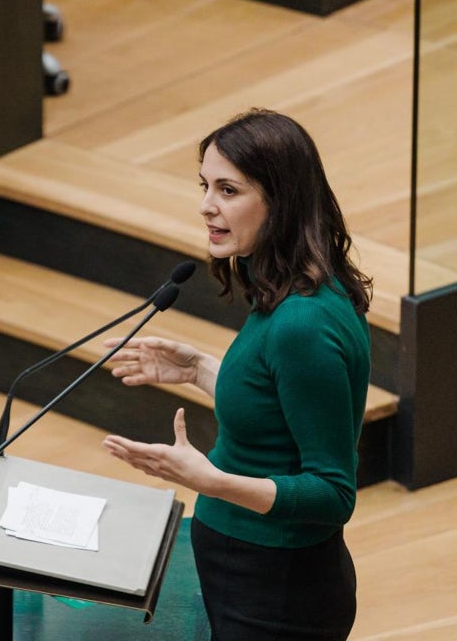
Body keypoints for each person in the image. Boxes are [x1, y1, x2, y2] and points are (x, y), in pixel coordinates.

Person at [101, 109, 372, 640]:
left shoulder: (303, 322)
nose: (206, 207)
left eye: (228, 190)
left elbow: (332, 493)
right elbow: (280, 410)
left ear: (281, 199)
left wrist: (209, 481)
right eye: (205, 186)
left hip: (276, 591)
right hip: (249, 571)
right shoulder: (291, 286)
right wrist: (199, 369)